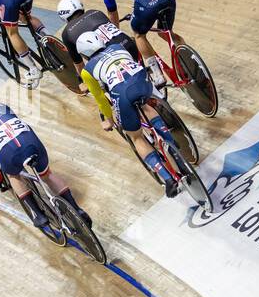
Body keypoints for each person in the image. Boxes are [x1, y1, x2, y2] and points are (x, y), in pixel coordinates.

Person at [0, 93, 92, 230]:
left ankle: (37, 214)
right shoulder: (2, 106)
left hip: (9, 153)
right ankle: (77, 209)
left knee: (13, 176)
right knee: (47, 174)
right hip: (31, 142)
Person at [76, 30, 181, 198]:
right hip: (142, 81)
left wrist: (109, 120)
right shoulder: (118, 46)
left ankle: (168, 179)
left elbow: (101, 99)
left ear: (84, 54)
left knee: (136, 136)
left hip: (123, 94)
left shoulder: (86, 71)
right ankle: (172, 143)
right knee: (145, 105)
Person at [92, 0, 176, 90]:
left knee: (138, 34)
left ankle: (157, 75)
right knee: (165, 32)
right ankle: (185, 57)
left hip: (149, 3)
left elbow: (112, 12)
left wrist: (115, 33)